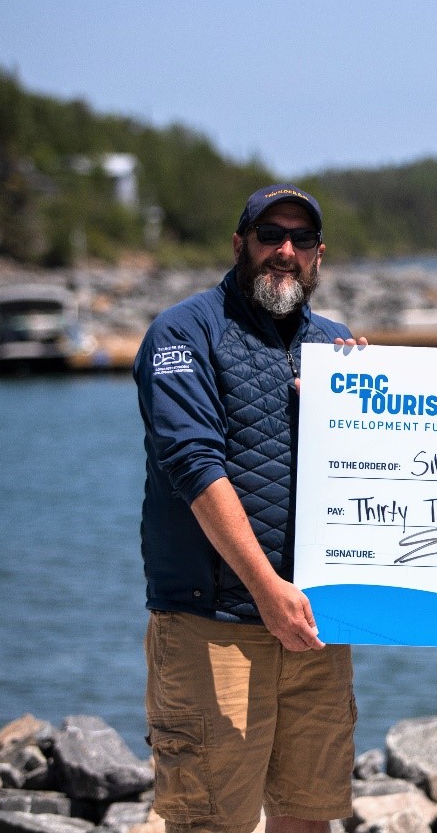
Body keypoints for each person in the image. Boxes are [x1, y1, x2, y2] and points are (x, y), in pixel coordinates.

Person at [134, 183, 362, 833]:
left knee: (307, 816)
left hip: (316, 627)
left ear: (320, 256)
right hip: (214, 622)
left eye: (303, 239)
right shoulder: (182, 331)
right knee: (211, 822)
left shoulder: (337, 345)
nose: (285, 250)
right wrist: (267, 589)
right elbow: (194, 466)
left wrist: (368, 393)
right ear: (240, 244)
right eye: (270, 235)